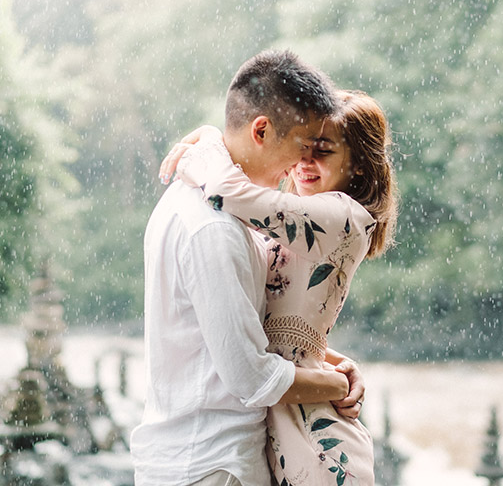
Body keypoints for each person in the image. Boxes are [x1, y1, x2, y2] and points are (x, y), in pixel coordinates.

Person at [131, 50, 366, 486]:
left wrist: (332, 362)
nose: (299, 167)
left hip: (195, 458)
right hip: (213, 464)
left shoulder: (199, 201)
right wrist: (336, 386)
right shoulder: (214, 227)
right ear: (262, 130)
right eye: (299, 149)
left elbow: (243, 328)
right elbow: (252, 377)